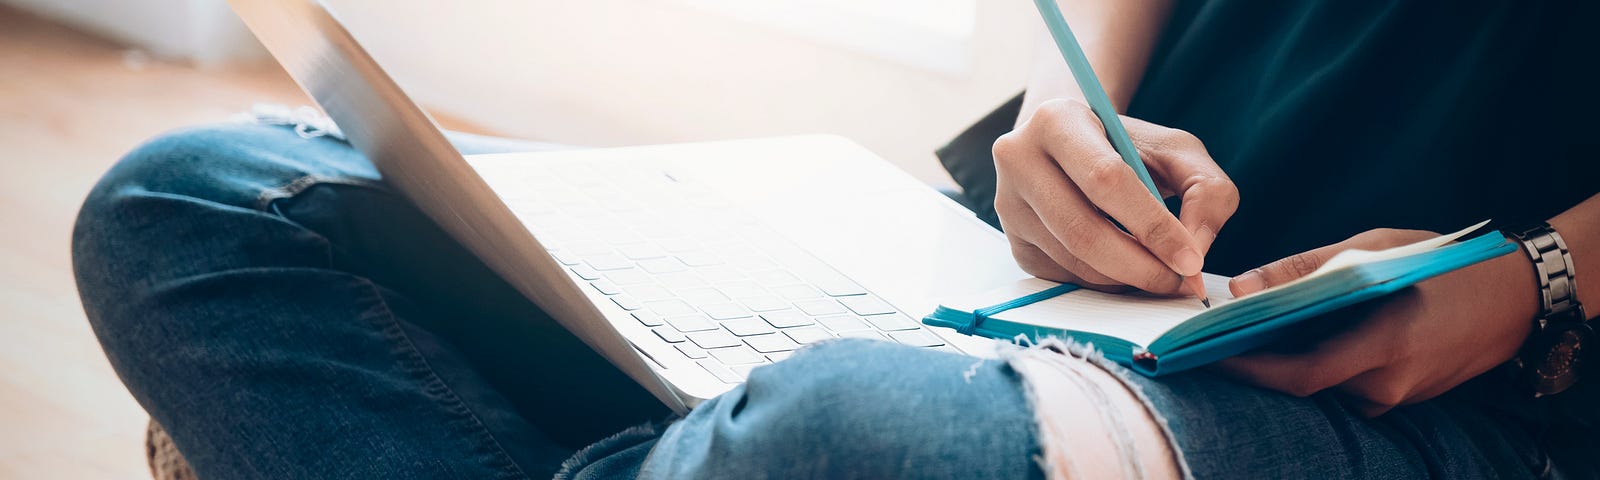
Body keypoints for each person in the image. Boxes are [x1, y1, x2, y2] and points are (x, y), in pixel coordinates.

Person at [74, 1, 1600, 478]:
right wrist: (1077, 110)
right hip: (1056, 269)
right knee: (194, 202)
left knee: (846, 431)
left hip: (1462, 379)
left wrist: (1531, 276)